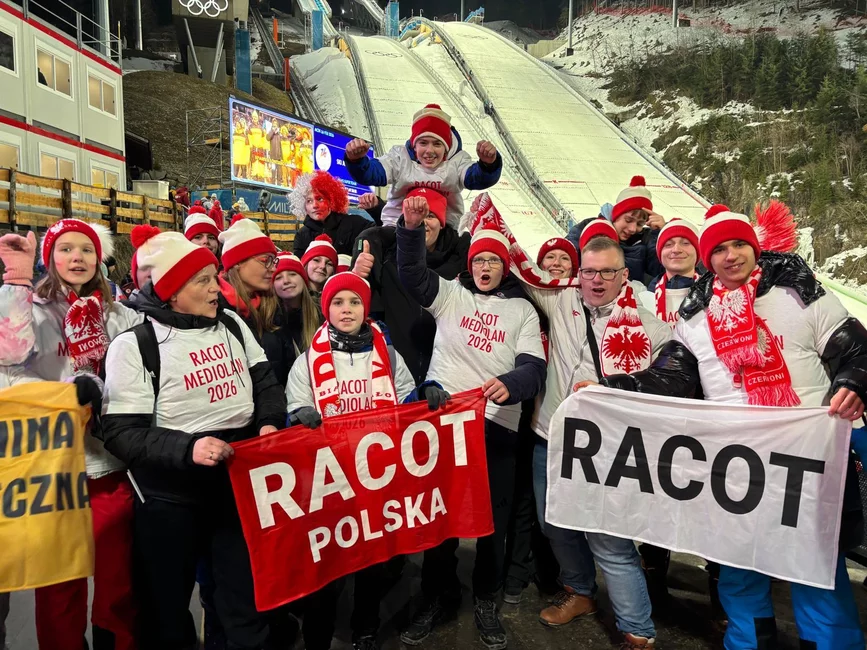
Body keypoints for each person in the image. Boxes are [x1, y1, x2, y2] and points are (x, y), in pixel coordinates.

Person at [600, 204, 867, 650]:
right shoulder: (694, 315)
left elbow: (857, 351)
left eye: (739, 244)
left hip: (804, 457)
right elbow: (672, 378)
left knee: (815, 567)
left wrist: (853, 382)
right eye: (719, 249)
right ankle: (747, 643)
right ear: (708, 259)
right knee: (740, 565)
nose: (731, 256)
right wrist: (613, 388)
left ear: (754, 247)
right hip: (738, 464)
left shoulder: (799, 293)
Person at [99, 228, 287, 650]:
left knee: (243, 601)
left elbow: (265, 383)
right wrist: (188, 448)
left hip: (235, 487)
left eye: (214, 277)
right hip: (170, 496)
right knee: (165, 610)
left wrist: (269, 422)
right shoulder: (136, 344)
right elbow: (122, 433)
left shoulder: (232, 324)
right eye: (202, 281)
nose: (216, 288)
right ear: (172, 292)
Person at [397, 208, 547, 650]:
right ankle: (436, 595)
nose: (485, 267)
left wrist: (512, 384)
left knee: (491, 524)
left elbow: (534, 369)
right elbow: (411, 274)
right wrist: (410, 230)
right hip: (444, 424)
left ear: (505, 267)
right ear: (470, 264)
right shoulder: (451, 294)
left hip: (496, 426)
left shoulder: (522, 310)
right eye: (479, 260)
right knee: (439, 517)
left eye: (493, 261)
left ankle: (486, 599)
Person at [285, 271, 448, 650]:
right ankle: (317, 638)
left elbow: (406, 401)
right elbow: (295, 407)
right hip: (329, 482)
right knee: (326, 566)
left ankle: (366, 631)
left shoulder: (387, 355)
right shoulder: (307, 361)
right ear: (327, 310)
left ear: (366, 307)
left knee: (372, 561)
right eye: (338, 302)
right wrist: (298, 416)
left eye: (355, 301)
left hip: (375, 475)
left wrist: (425, 394)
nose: (347, 309)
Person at [0, 220, 141, 650]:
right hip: (52, 471)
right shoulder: (31, 308)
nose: (77, 257)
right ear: (49, 258)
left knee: (117, 582)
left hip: (107, 464)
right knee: (59, 587)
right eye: (65, 249)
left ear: (100, 258)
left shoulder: (119, 314)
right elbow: (8, 364)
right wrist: (17, 283)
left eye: (87, 249)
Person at [352, 187, 470, 383]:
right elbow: (354, 309)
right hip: (394, 374)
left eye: (429, 215)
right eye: (414, 214)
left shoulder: (460, 260)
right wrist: (357, 276)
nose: (421, 221)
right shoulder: (384, 254)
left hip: (444, 377)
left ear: (442, 223)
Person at [345, 103, 502, 229]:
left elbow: (476, 178)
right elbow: (372, 173)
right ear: (414, 145)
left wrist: (488, 164)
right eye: (423, 143)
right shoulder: (400, 158)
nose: (429, 151)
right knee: (370, 238)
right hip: (398, 225)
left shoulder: (456, 161)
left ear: (447, 148)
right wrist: (356, 160)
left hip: (442, 230)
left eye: (437, 144)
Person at [217, 216, 292, 387]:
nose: (273, 269)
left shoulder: (273, 304)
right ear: (238, 262)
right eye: (266, 261)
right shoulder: (214, 309)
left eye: (274, 261)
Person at [566, 177, 666, 285]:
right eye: (628, 220)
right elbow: (565, 256)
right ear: (616, 215)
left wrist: (662, 233)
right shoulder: (589, 227)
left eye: (640, 224)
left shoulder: (647, 238)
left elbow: (661, 271)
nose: (632, 229)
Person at [291, 171, 381, 257]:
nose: (315, 205)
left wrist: (376, 208)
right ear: (304, 207)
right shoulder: (302, 235)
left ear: (331, 200)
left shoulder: (354, 224)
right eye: (309, 201)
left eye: (320, 199)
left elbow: (383, 231)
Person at [272, 252, 322, 372]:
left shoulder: (322, 313)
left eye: (292, 274)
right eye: (278, 278)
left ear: (303, 279)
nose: (286, 281)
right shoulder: (270, 321)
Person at [301, 234, 338, 299]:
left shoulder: (336, 297)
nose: (323, 266)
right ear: (306, 263)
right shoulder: (293, 295)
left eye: (329, 264)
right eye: (316, 260)